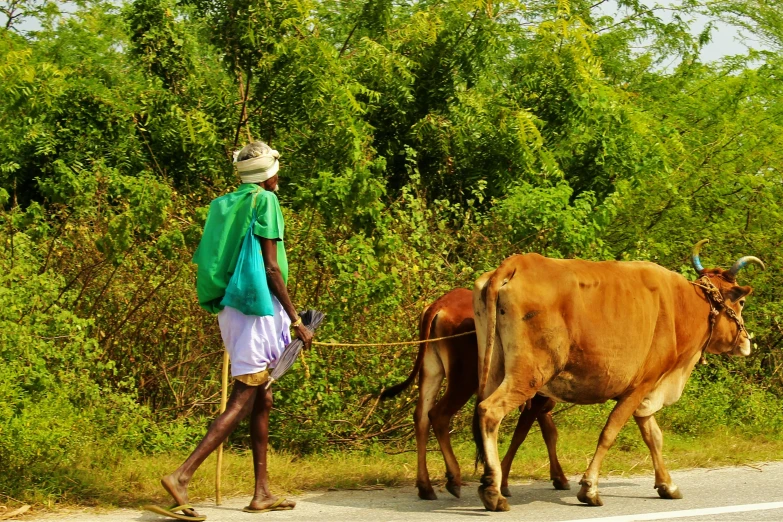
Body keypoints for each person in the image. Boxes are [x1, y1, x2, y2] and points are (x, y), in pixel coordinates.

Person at [157, 141, 313, 520]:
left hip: (231, 307)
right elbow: (272, 268)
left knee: (263, 396)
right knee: (245, 396)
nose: (278, 177)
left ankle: (261, 492)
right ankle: (182, 475)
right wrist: (296, 320)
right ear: (267, 174)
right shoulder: (266, 202)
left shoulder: (221, 204)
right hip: (258, 309)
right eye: (276, 171)